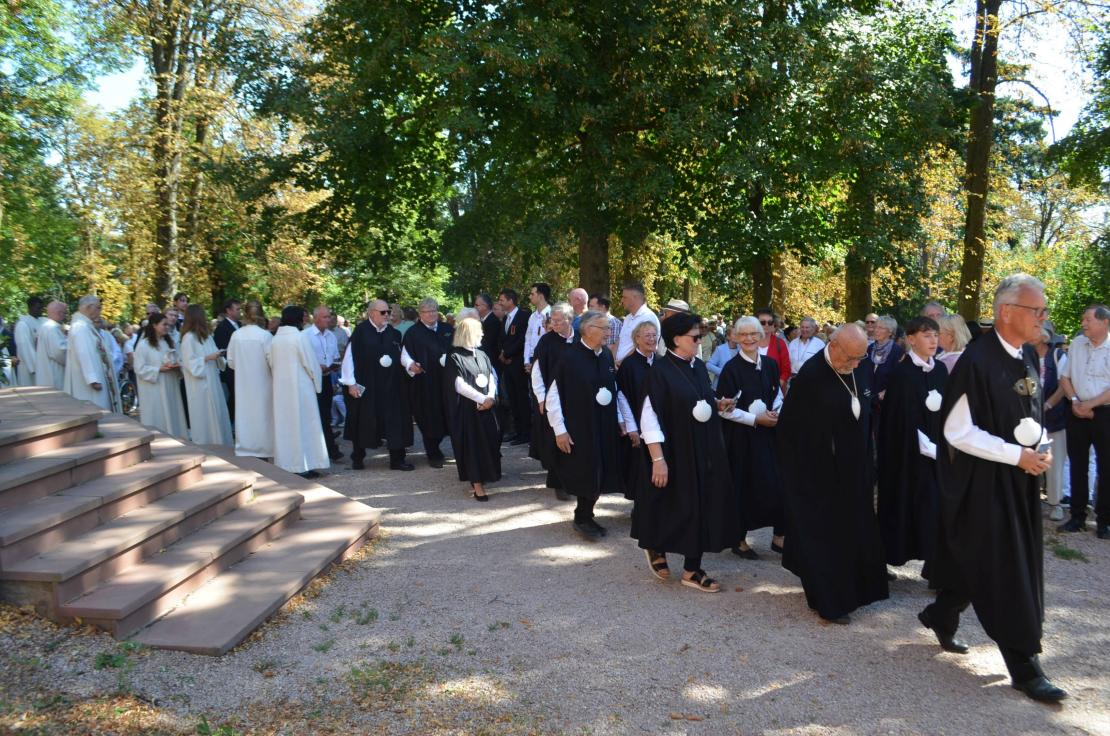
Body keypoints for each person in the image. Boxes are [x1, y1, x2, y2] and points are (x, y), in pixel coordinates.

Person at [921, 273, 1066, 702]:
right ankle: (1024, 665)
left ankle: (941, 613)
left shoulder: (1027, 357)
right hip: (981, 484)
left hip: (1017, 478)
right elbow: (957, 432)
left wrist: (1040, 450)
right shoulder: (976, 362)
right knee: (1007, 569)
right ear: (1007, 312)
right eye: (1036, 310)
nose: (1043, 317)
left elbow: (1029, 414)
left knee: (984, 559)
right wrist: (1017, 456)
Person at [777, 323, 888, 624]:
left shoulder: (860, 367)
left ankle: (853, 591)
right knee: (822, 537)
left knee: (852, 533)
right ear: (834, 344)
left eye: (859, 359)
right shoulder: (811, 377)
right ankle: (827, 602)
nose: (854, 364)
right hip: (817, 475)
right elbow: (790, 431)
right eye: (850, 357)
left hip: (854, 471)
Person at [633, 312, 741, 592]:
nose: (700, 340)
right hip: (673, 452)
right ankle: (656, 546)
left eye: (700, 336)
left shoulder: (698, 367)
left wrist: (717, 404)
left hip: (703, 449)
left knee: (702, 505)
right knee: (670, 504)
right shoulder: (658, 372)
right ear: (677, 339)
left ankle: (692, 569)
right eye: (695, 337)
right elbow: (649, 417)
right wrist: (658, 460)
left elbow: (695, 399)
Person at [876, 316, 948, 577]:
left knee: (938, 509)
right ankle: (883, 559)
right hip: (907, 456)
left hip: (937, 453)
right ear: (911, 339)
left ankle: (937, 568)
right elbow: (900, 420)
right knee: (903, 504)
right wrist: (927, 447)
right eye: (927, 335)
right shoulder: (901, 374)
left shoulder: (940, 370)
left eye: (936, 335)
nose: (933, 340)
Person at [546, 311, 624, 538]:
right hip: (580, 426)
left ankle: (587, 514)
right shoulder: (569, 358)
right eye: (605, 329)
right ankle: (582, 516)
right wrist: (559, 430)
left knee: (600, 470)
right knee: (585, 470)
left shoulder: (606, 357)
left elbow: (614, 390)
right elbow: (553, 396)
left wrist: (619, 419)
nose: (609, 333)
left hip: (604, 424)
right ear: (588, 330)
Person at [717, 316, 785, 559]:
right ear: (735, 337)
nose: (748, 339)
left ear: (761, 335)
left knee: (778, 483)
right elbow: (725, 410)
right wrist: (755, 420)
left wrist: (775, 411)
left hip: (768, 435)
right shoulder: (730, 370)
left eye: (753, 334)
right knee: (743, 486)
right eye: (743, 334)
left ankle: (779, 537)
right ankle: (739, 539)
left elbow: (777, 394)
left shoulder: (770, 365)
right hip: (741, 438)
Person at [1057, 304, 1110, 539]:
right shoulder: (1078, 344)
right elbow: (1065, 377)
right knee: (1077, 464)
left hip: (1105, 413)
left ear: (1104, 322)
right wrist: (1076, 401)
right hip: (1076, 410)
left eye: (1088, 319)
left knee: (1106, 467)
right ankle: (1077, 516)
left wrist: (1091, 404)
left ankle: (1104, 521)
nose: (1083, 324)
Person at [341, 300, 414, 471]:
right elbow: (348, 359)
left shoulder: (394, 334)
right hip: (367, 385)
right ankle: (357, 458)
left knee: (395, 421)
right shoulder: (360, 332)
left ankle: (397, 459)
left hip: (391, 385)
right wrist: (351, 383)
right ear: (371, 313)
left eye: (388, 312)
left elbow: (403, 355)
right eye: (383, 312)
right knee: (362, 420)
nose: (387, 315)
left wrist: (410, 366)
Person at [270, 306, 330, 478]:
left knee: (287, 427)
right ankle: (305, 464)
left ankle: (289, 464)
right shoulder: (299, 337)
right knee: (304, 426)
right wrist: (318, 382)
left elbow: (271, 363)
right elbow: (310, 363)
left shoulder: (275, 339)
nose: (305, 320)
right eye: (303, 317)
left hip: (281, 389)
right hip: (301, 387)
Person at [444, 317, 501, 500]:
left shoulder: (482, 354)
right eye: (480, 331)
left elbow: (491, 376)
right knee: (474, 446)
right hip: (469, 411)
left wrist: (491, 396)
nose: (483, 334)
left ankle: (488, 473)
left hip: (488, 406)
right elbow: (458, 384)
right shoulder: (454, 356)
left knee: (490, 441)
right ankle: (477, 485)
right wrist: (481, 398)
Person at [530, 303, 577, 500]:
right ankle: (558, 482)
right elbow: (537, 373)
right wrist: (541, 398)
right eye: (552, 320)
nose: (554, 324)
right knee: (554, 439)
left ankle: (574, 479)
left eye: (558, 321)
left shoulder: (582, 339)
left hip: (576, 400)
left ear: (570, 320)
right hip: (552, 400)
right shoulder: (546, 342)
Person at [402, 298, 454, 468]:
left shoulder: (448, 329)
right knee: (429, 417)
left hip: (447, 382)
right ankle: (433, 453)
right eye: (427, 311)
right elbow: (405, 356)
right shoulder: (412, 333)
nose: (431, 314)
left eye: (434, 310)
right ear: (420, 314)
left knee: (449, 414)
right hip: (425, 383)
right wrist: (411, 365)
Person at [225, 301, 274, 459]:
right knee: (263, 416)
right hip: (263, 382)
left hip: (243, 383)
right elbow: (272, 361)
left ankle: (245, 447)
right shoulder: (265, 336)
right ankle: (264, 448)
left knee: (245, 415)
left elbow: (231, 362)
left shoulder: (236, 335)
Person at [179, 305, 233, 446]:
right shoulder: (188, 338)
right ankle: (207, 443)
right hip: (200, 384)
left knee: (217, 411)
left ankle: (220, 442)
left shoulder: (206, 336)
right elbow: (189, 362)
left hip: (212, 380)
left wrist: (219, 355)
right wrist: (207, 358)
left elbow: (214, 353)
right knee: (204, 414)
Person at [614, 321, 655, 503]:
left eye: (654, 335)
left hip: (659, 427)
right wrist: (631, 427)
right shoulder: (629, 365)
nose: (652, 339)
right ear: (636, 339)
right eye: (647, 335)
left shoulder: (661, 362)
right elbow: (621, 396)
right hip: (637, 427)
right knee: (639, 468)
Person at [132, 313, 188, 440]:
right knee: (159, 416)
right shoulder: (143, 345)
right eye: (164, 324)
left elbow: (177, 358)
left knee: (172, 414)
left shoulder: (168, 343)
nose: (167, 327)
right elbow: (139, 368)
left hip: (170, 385)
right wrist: (158, 369)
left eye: (168, 324)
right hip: (154, 388)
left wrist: (177, 366)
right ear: (154, 325)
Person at [63, 296, 121, 412]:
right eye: (98, 308)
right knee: (97, 410)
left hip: (97, 377)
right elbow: (83, 353)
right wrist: (93, 379)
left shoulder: (86, 325)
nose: (100, 311)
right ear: (89, 307)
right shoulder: (80, 327)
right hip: (92, 384)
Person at [1036, 326, 1070, 521]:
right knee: (1032, 458)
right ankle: (1032, 501)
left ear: (1044, 337)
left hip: (1055, 418)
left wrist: (1047, 405)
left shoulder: (1057, 356)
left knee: (1054, 462)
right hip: (1030, 420)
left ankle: (1055, 504)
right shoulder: (1024, 355)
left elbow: (1063, 387)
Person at [304, 305, 343, 462]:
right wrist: (316, 366)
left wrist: (333, 365)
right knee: (315, 415)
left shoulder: (331, 336)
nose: (329, 319)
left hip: (327, 378)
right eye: (325, 317)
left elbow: (334, 356)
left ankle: (328, 448)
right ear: (316, 318)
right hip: (311, 380)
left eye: (329, 316)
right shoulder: (305, 336)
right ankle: (329, 449)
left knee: (325, 415)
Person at [497, 289, 532, 445]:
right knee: (512, 398)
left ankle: (526, 432)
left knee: (522, 398)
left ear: (511, 301)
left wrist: (509, 354)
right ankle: (517, 431)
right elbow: (503, 340)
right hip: (507, 365)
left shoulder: (524, 316)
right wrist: (503, 354)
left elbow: (523, 339)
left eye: (502, 300)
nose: (500, 303)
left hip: (518, 364)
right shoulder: (505, 318)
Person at [615, 281, 660, 365]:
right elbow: (620, 340)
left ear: (635, 298)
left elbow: (640, 346)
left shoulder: (648, 317)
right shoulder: (628, 318)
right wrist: (613, 361)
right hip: (621, 367)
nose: (621, 300)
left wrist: (621, 363)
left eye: (624, 297)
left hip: (635, 367)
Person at [213, 299, 241, 421]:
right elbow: (223, 349)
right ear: (228, 311)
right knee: (234, 396)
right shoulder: (222, 327)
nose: (240, 312)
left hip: (240, 367)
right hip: (230, 369)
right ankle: (229, 421)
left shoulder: (240, 325)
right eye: (237, 309)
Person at [866, 315, 903, 399]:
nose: (876, 330)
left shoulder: (897, 351)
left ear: (890, 332)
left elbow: (899, 379)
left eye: (881, 328)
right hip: (869, 398)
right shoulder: (870, 348)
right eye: (875, 327)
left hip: (887, 400)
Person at [34, 300, 68, 390]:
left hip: (46, 369)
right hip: (54, 372)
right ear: (59, 313)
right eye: (65, 313)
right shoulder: (52, 328)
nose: (65, 316)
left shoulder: (44, 326)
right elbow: (59, 352)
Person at [755, 308, 791, 390]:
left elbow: (786, 370)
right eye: (763, 322)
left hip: (774, 391)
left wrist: (776, 387)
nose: (766, 325)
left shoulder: (780, 343)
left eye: (770, 322)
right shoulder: (750, 342)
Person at [13, 296, 45, 386]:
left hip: (41, 362)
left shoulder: (42, 322)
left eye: (42, 308)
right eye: (38, 308)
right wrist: (35, 367)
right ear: (30, 308)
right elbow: (25, 347)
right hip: (29, 366)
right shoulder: (23, 324)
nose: (41, 310)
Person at [524, 282, 551, 368]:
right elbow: (528, 339)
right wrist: (526, 361)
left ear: (541, 296)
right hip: (531, 359)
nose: (529, 297)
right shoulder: (532, 316)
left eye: (532, 294)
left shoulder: (552, 315)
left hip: (546, 360)